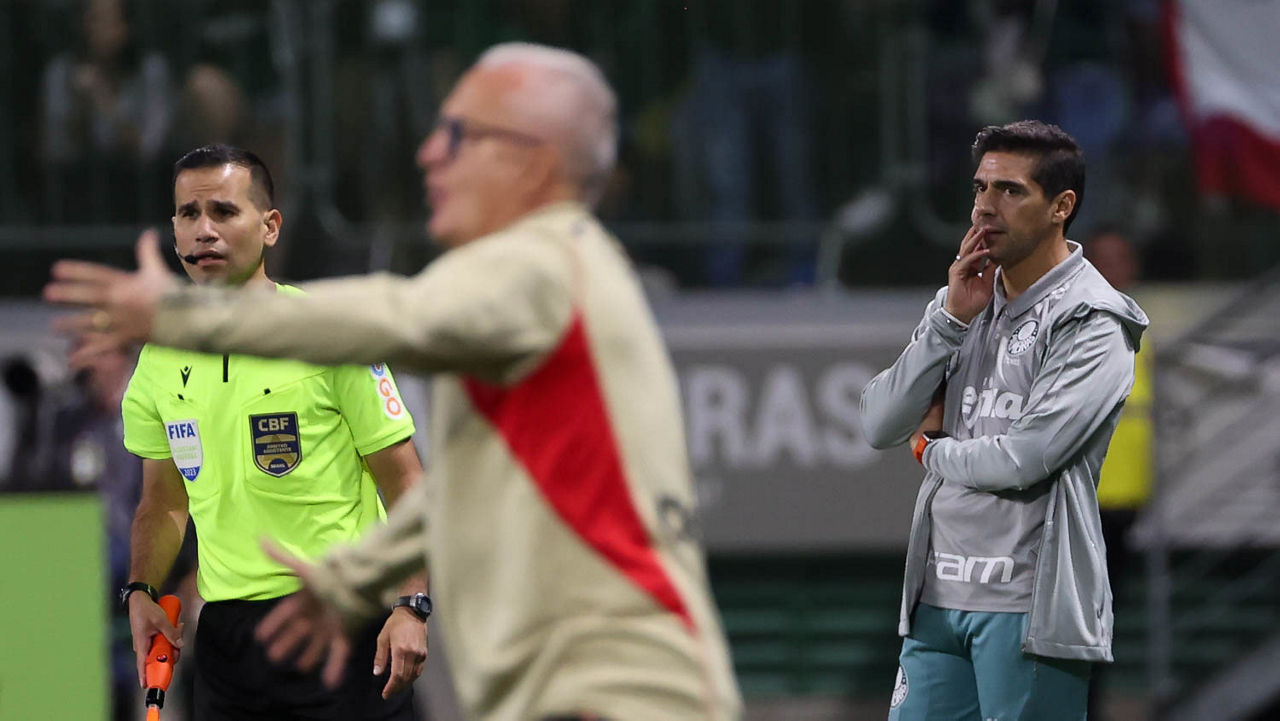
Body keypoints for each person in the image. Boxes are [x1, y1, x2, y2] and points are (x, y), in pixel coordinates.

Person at [45, 44, 742, 721]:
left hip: (619, 685)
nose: (428, 152)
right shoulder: (528, 295)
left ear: (532, 159)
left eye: (458, 134)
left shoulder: (546, 266)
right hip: (562, 677)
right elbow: (449, 494)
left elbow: (392, 316)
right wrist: (350, 585)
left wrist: (178, 315)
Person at [116, 144, 428, 721]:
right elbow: (162, 503)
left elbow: (406, 482)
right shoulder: (158, 360)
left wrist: (411, 604)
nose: (203, 230)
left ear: (270, 226)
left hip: (341, 622)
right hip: (230, 644)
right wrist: (141, 592)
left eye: (223, 211)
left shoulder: (328, 334)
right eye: (188, 213)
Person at [859, 120, 1149, 720]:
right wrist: (947, 323)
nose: (985, 207)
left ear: (1061, 207)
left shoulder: (1094, 320)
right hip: (937, 601)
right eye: (980, 188)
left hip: (1028, 608)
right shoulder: (964, 300)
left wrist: (932, 450)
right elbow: (879, 423)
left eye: (1010, 190)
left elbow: (1027, 456)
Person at [1083, 227, 1153, 721]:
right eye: (1103, 258)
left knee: (1104, 616)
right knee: (1079, 616)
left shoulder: (1135, 323)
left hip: (1124, 499)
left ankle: (1089, 707)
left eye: (1121, 257)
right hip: (1081, 498)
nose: (1113, 268)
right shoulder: (1081, 320)